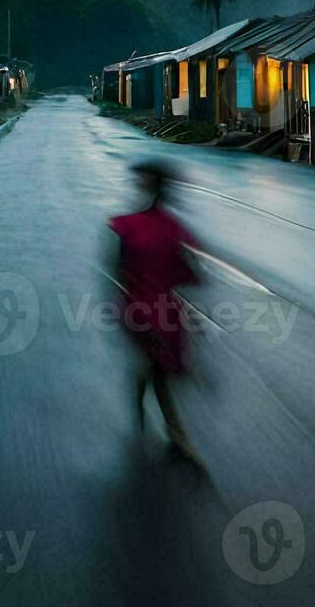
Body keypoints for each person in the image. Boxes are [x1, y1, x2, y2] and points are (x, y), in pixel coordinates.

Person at [109, 160, 204, 465]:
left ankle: (139, 410)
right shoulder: (142, 227)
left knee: (154, 366)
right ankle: (178, 435)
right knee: (160, 369)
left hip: (157, 306)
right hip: (143, 307)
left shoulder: (150, 227)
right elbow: (119, 270)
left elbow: (185, 268)